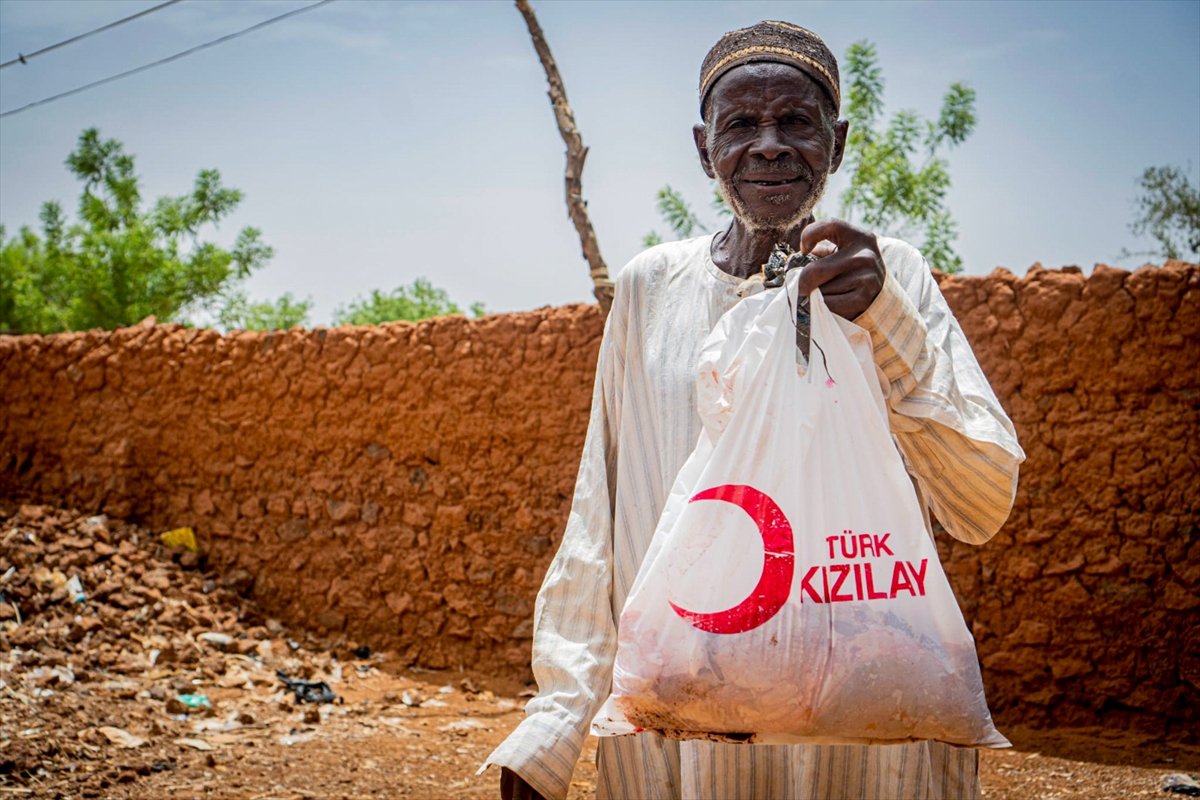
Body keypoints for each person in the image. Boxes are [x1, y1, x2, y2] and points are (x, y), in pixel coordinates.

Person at [484, 20, 1024, 800]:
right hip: (675, 739)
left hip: (867, 744)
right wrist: (556, 728)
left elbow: (982, 502)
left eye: (795, 122)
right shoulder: (650, 288)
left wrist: (885, 323)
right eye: (741, 125)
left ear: (835, 145)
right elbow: (599, 519)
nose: (769, 145)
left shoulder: (890, 274)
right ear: (705, 149)